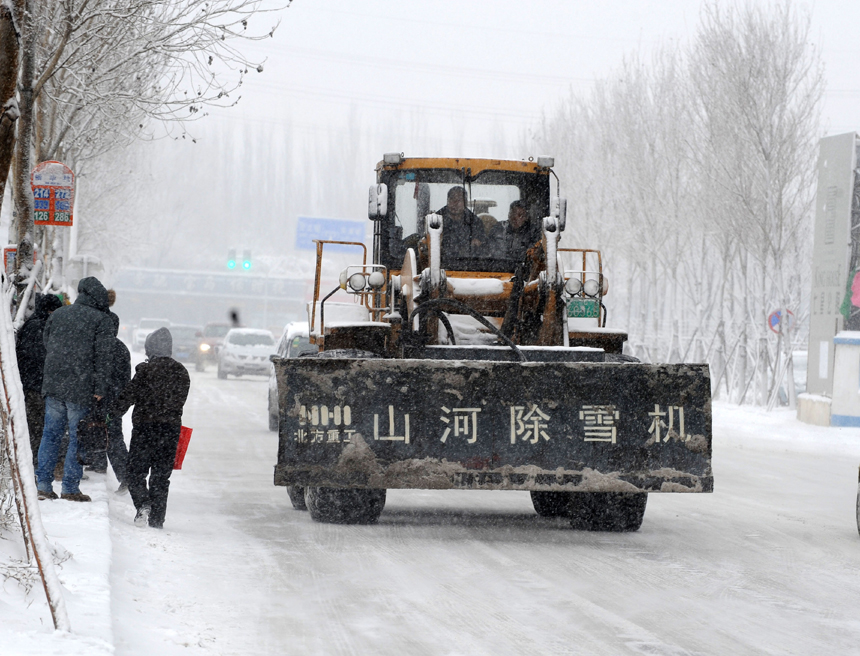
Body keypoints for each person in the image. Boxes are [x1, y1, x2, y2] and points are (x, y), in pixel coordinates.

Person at [35, 277, 114, 502]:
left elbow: (47, 342)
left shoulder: (59, 314)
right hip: (81, 387)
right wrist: (99, 387)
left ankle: (43, 484)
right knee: (78, 437)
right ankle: (70, 487)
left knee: (50, 434)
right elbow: (104, 356)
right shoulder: (102, 320)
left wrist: (59, 366)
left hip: (54, 384)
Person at [112, 327, 190, 529]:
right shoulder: (182, 372)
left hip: (145, 429)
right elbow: (178, 402)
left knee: (136, 472)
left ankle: (143, 504)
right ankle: (157, 520)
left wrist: (112, 414)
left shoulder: (145, 371)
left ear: (150, 349)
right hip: (170, 430)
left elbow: (127, 396)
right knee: (161, 476)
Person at [85, 311, 131, 491]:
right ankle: (125, 475)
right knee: (113, 436)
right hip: (114, 400)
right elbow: (126, 378)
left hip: (96, 397)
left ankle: (97, 462)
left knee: (93, 428)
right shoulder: (122, 348)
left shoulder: (95, 346)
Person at [16, 293, 63, 466]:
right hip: (37, 386)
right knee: (38, 426)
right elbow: (40, 357)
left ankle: (36, 460)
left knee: (37, 425)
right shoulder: (39, 327)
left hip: (33, 384)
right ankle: (35, 461)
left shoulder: (34, 325)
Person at [435, 186, 486, 263]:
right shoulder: (435, 221)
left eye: (459, 200)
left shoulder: (475, 222)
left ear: (465, 203)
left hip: (468, 265)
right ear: (447, 200)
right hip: (441, 264)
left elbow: (482, 247)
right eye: (452, 199)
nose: (455, 203)